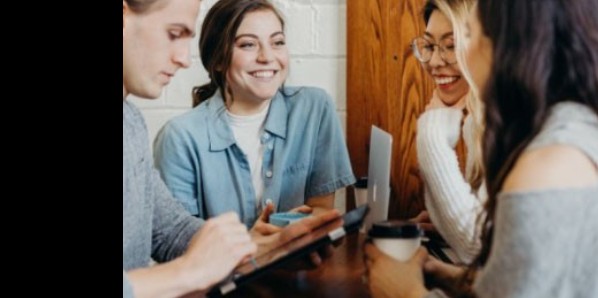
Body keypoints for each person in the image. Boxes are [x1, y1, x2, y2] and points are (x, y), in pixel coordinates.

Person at [365, 0, 598, 297]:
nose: (439, 60)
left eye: (469, 35)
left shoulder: (547, 164)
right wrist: (451, 277)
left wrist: (404, 292)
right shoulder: (569, 128)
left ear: (508, 47)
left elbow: (480, 249)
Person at [123, 0, 341, 296]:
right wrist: (187, 272)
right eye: (174, 33)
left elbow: (169, 230)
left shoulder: (130, 122)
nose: (185, 59)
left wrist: (260, 250)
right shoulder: (178, 134)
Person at [153, 0, 355, 229]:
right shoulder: (179, 137)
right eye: (248, 45)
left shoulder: (314, 109)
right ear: (218, 59)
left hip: (302, 263)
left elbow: (321, 209)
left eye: (277, 42)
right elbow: (177, 239)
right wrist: (258, 246)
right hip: (225, 266)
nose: (267, 57)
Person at [411, 0, 484, 264]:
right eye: (429, 46)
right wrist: (446, 221)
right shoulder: (477, 122)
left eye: (451, 46)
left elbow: (478, 247)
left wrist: (432, 133)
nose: (433, 61)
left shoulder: (507, 120)